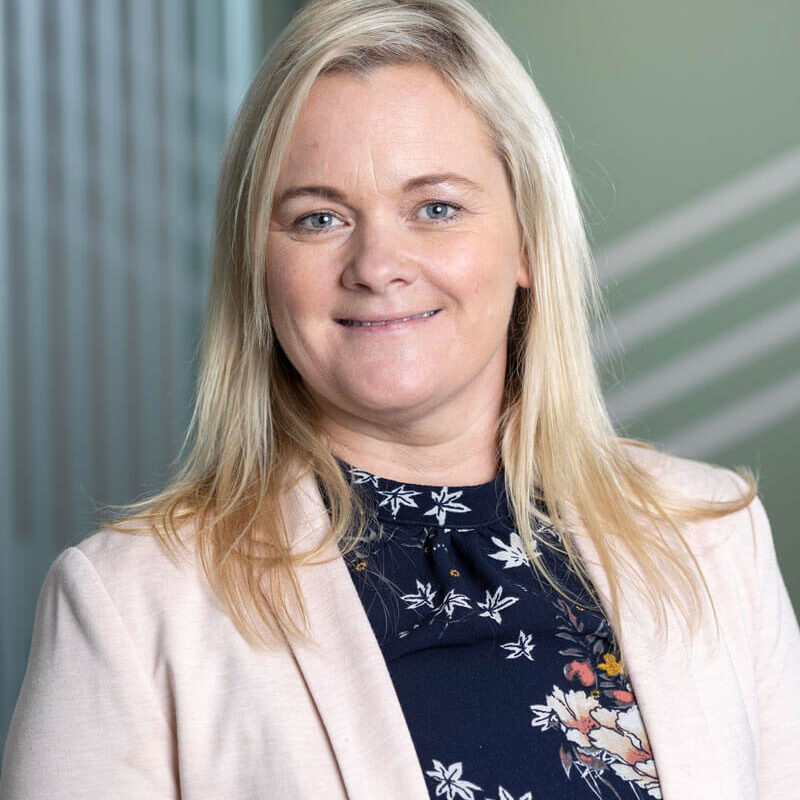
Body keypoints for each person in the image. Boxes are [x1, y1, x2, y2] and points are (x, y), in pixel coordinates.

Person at [2, 0, 799, 797]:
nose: (377, 265)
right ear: (258, 266)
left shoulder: (716, 542)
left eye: (436, 208)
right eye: (319, 218)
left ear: (527, 239)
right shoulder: (130, 608)